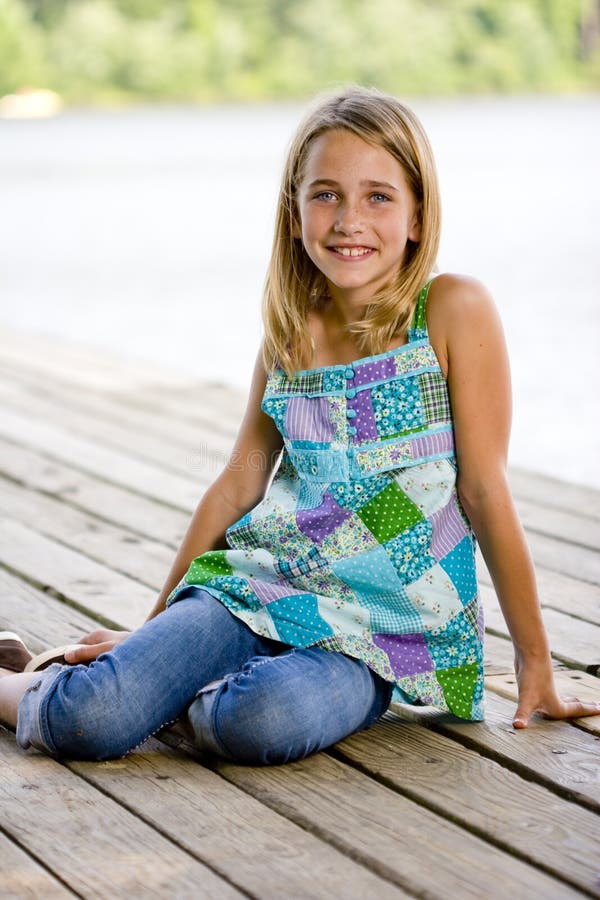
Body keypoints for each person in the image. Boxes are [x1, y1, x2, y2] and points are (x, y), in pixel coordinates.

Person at [1, 86, 599, 763]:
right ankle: (40, 683)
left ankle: (156, 691)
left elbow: (484, 490)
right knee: (95, 719)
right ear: (294, 213)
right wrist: (155, 631)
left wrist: (535, 661)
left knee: (259, 720)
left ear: (416, 215)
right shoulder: (290, 335)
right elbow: (239, 486)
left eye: (378, 196)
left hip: (380, 631)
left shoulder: (453, 311)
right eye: (326, 195)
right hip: (260, 584)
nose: (349, 220)